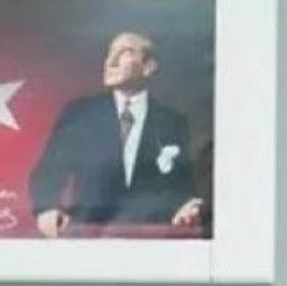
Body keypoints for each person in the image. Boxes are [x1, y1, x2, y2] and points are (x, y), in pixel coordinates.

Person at [29, 31, 204, 237]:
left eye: (125, 52)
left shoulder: (172, 122)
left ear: (148, 67)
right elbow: (48, 171)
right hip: (89, 237)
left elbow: (183, 186)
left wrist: (188, 206)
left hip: (150, 239)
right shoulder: (80, 114)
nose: (110, 62)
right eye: (110, 52)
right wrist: (46, 209)